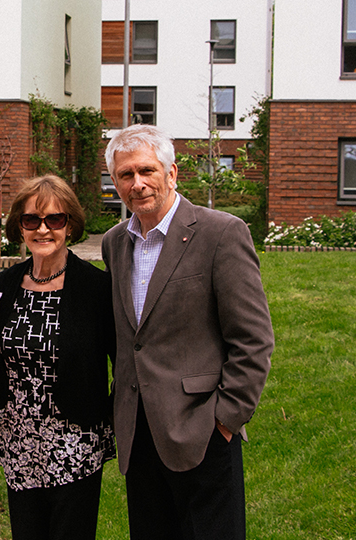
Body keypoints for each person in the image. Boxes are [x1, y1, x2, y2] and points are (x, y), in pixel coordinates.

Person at [101, 124, 274, 540]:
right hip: (139, 433)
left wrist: (227, 418)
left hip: (203, 430)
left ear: (172, 173)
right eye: (126, 175)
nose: (137, 183)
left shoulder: (220, 233)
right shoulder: (114, 244)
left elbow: (253, 339)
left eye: (147, 170)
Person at [0, 175, 116, 540]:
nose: (43, 229)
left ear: (69, 225)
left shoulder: (95, 286)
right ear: (19, 227)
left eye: (54, 220)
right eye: (31, 221)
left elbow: (122, 362)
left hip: (75, 441)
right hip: (20, 440)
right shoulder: (6, 284)